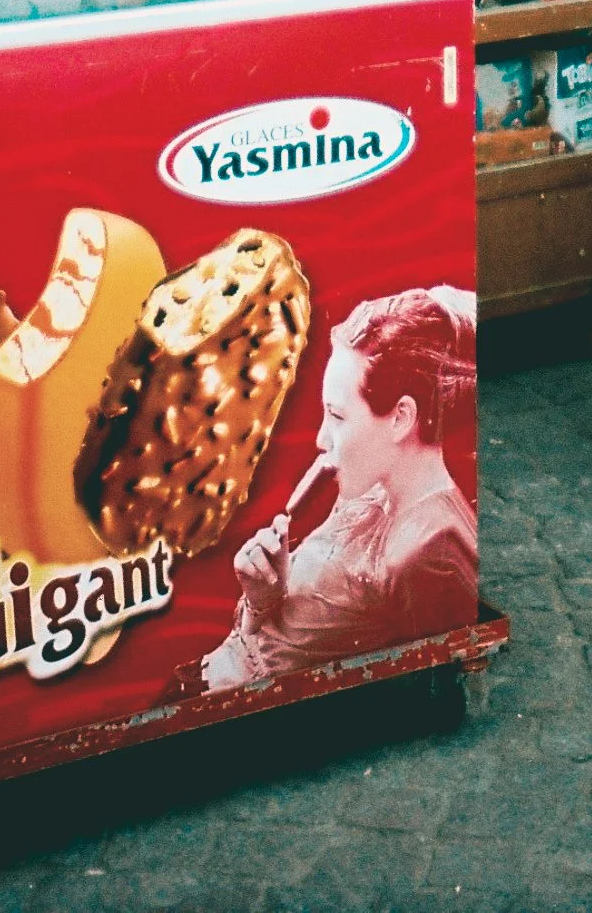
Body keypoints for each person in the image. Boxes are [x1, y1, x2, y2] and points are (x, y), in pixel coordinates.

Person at [201, 285, 477, 692]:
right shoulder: (369, 491)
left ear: (402, 417)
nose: (320, 439)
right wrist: (263, 598)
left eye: (337, 416)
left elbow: (433, 681)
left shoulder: (429, 552)